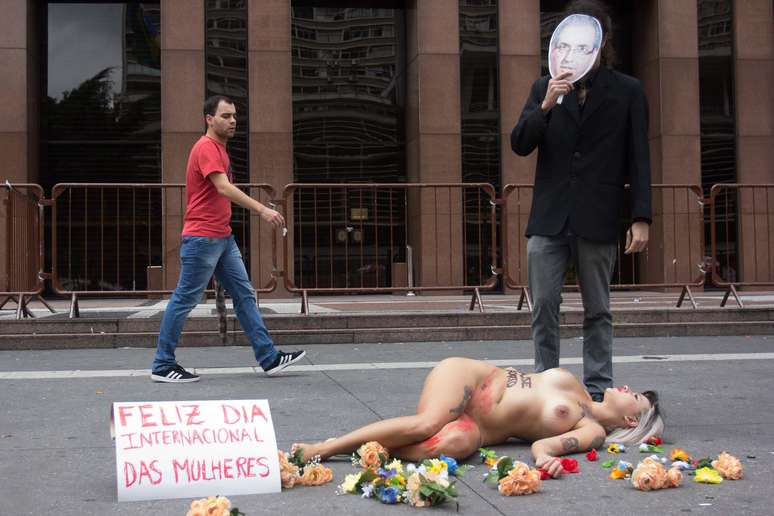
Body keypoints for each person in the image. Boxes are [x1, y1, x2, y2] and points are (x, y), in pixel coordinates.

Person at [511, 0, 652, 402]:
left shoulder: (627, 90)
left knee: (598, 309)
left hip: (598, 213)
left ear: (601, 42)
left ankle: (597, 390)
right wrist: (546, 105)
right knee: (543, 306)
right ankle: (546, 387)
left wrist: (641, 216)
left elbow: (639, 156)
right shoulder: (544, 88)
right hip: (549, 216)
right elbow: (520, 144)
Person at [151, 95, 306, 383]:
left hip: (222, 237)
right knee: (185, 299)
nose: (232, 120)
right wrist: (262, 209)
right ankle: (162, 365)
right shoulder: (207, 148)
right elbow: (223, 187)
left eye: (234, 116)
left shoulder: (219, 149)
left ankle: (269, 358)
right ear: (209, 119)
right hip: (203, 238)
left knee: (244, 294)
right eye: (225, 116)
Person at [291, 358, 662, 477]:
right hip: (474, 378)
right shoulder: (578, 388)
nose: (627, 388)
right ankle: (323, 449)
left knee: (449, 445)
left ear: (632, 422)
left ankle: (378, 449)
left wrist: (546, 460)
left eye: (636, 398)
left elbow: (543, 444)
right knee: (426, 425)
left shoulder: (592, 430)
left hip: (481, 429)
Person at [548, 13, 603, 84]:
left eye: (581, 49)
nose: (568, 58)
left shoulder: (619, 86)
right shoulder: (541, 87)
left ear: (596, 51)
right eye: (563, 47)